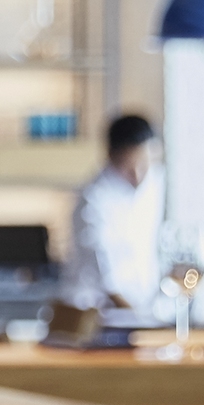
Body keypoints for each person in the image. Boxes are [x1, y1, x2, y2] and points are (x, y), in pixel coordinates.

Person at [69, 111, 163, 308]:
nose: (138, 176)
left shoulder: (156, 183)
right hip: (99, 314)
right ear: (111, 156)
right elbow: (108, 280)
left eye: (144, 165)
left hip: (146, 307)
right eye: (129, 168)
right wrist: (143, 319)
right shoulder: (93, 200)